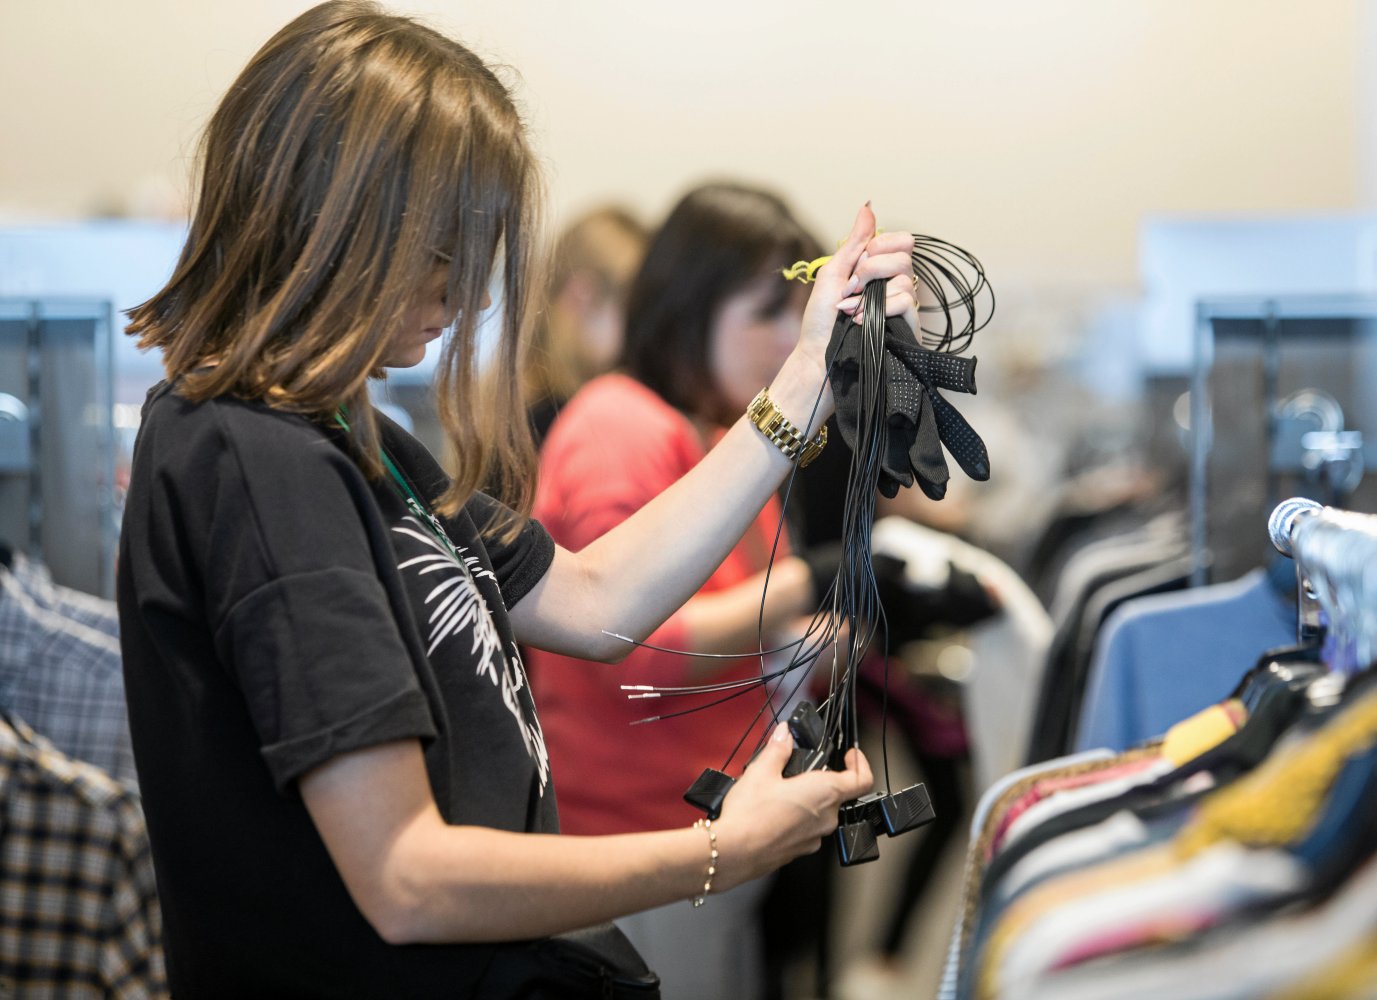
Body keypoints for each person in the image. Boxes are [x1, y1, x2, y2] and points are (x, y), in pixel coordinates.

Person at [113, 4, 917, 997]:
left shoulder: (347, 436)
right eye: (447, 246)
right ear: (346, 221)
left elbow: (592, 599)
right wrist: (716, 849)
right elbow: (410, 877)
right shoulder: (253, 460)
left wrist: (805, 380)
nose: (466, 291)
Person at [526, 182, 833, 999]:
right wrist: (814, 582)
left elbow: (747, 634)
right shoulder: (620, 425)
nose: (784, 344)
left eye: (797, 319)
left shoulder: (727, 437)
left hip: (706, 835)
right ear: (693, 305)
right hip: (634, 848)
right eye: (766, 314)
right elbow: (645, 653)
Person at [522, 206, 648, 443]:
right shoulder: (546, 422)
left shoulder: (513, 404)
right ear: (583, 296)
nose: (644, 330)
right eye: (635, 310)